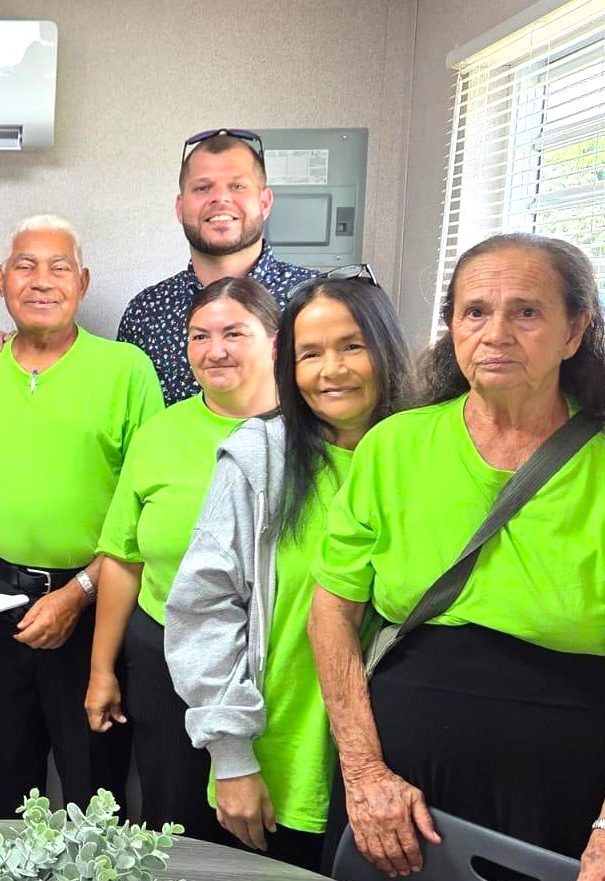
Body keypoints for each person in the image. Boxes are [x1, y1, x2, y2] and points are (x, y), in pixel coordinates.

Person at [308, 234, 605, 881]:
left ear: (575, 331)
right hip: (396, 794)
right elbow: (331, 610)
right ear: (452, 327)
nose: (496, 333)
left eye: (526, 312)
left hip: (563, 799)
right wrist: (363, 770)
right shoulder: (392, 447)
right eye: (475, 312)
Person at [163, 270, 412, 871]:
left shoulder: (423, 456)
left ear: (385, 348)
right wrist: (231, 757)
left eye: (352, 346)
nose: (332, 370)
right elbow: (203, 607)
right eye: (310, 354)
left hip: (405, 761)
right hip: (281, 757)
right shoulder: (261, 456)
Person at [0, 214, 162, 819]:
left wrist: (78, 594)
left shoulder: (127, 370)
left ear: (82, 282)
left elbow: (145, 512)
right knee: (4, 788)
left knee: (96, 792)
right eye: (25, 266)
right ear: (0, 279)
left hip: (96, 607)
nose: (41, 280)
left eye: (59, 267)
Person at [86, 277, 279, 839]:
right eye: (199, 336)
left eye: (233, 333)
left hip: (274, 658)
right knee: (174, 822)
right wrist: (101, 671)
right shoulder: (159, 434)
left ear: (275, 341)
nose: (214, 350)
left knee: (269, 826)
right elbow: (123, 558)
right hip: (164, 655)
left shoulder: (309, 434)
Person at [118, 127, 318, 403]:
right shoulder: (145, 313)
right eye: (203, 188)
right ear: (180, 208)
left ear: (264, 202)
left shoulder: (316, 298)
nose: (221, 198)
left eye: (237, 186)